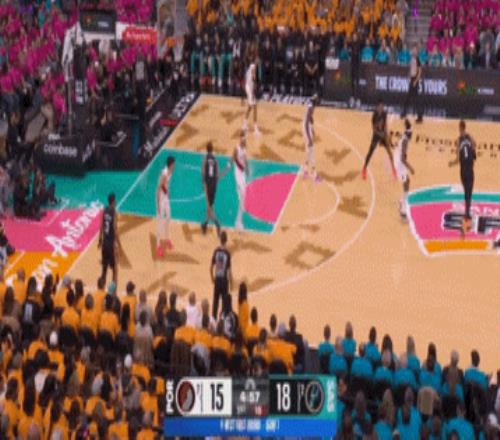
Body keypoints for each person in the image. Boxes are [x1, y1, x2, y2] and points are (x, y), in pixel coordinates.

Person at [449, 120, 476, 234]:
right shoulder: (470, 137)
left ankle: (467, 215)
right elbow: (474, 145)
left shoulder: (458, 140)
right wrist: (473, 152)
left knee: (466, 191)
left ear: (460, 128)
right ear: (465, 127)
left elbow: (457, 159)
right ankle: (467, 213)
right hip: (470, 169)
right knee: (469, 192)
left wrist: (451, 163)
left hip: (463, 170)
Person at [362, 100, 396, 180]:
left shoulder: (384, 113)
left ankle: (394, 170)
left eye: (382, 106)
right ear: (377, 107)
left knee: (390, 152)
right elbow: (374, 130)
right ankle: (364, 169)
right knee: (370, 152)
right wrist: (380, 134)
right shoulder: (374, 116)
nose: (381, 108)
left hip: (383, 134)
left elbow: (385, 125)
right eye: (380, 106)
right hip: (376, 135)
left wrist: (386, 135)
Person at [223, 131, 248, 231]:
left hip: (243, 173)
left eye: (245, 139)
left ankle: (240, 199)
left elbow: (245, 159)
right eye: (243, 139)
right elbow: (232, 159)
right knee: (242, 195)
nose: (244, 141)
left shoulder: (244, 148)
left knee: (243, 194)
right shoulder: (237, 148)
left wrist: (248, 169)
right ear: (240, 139)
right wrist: (227, 168)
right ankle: (238, 222)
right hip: (237, 174)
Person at [393, 119, 415, 218]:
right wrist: (410, 168)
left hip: (398, 160)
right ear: (409, 134)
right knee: (406, 183)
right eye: (411, 134)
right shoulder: (405, 141)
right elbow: (402, 158)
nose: (412, 136)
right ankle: (403, 209)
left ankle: (402, 200)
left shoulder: (404, 137)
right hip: (399, 163)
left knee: (407, 182)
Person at [210, 230, 232, 320]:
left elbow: (211, 267)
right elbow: (229, 271)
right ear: (226, 240)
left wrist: (212, 278)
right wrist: (231, 283)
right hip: (224, 281)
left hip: (217, 280)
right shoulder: (227, 253)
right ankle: (222, 321)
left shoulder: (216, 251)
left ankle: (213, 320)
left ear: (220, 240)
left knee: (215, 302)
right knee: (224, 303)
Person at [98, 193, 120, 284]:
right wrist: (118, 243)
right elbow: (115, 228)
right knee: (114, 269)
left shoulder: (105, 210)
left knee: (104, 268)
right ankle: (113, 289)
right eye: (115, 200)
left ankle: (101, 287)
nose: (116, 202)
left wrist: (100, 239)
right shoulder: (114, 212)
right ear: (113, 201)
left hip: (104, 243)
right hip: (111, 244)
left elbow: (101, 225)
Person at [156, 156, 175, 256]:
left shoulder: (170, 172)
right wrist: (158, 204)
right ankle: (158, 245)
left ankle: (167, 239)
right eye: (174, 164)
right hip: (161, 200)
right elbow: (159, 187)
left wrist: (168, 192)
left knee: (168, 217)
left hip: (166, 199)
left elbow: (166, 185)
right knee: (160, 222)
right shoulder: (164, 173)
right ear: (171, 164)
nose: (174, 166)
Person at [201, 142, 221, 235]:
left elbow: (203, 173)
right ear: (212, 149)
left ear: (206, 149)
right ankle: (205, 224)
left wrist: (204, 184)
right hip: (214, 185)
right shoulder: (215, 160)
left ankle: (217, 223)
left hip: (208, 185)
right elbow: (217, 175)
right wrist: (215, 183)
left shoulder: (205, 159)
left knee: (209, 206)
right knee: (209, 206)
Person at [401, 44, 423, 123]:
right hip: (412, 79)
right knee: (409, 97)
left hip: (414, 80)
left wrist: (415, 81)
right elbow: (411, 69)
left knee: (414, 99)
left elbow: (420, 71)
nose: (414, 51)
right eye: (413, 49)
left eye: (415, 50)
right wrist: (409, 76)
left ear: (417, 51)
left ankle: (419, 116)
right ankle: (404, 113)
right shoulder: (411, 58)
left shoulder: (417, 59)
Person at [303, 94, 320, 182]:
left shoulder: (311, 106)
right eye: (317, 100)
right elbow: (306, 122)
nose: (318, 101)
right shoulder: (310, 108)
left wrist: (312, 128)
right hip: (306, 128)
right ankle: (314, 174)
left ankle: (305, 170)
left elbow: (310, 118)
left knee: (309, 151)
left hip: (308, 128)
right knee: (311, 151)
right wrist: (309, 137)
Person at [243, 63, 260, 135]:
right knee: (255, 107)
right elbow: (253, 83)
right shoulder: (253, 71)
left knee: (250, 107)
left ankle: (244, 124)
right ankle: (255, 129)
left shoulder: (248, 70)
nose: (255, 71)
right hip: (249, 90)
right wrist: (252, 94)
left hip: (248, 88)